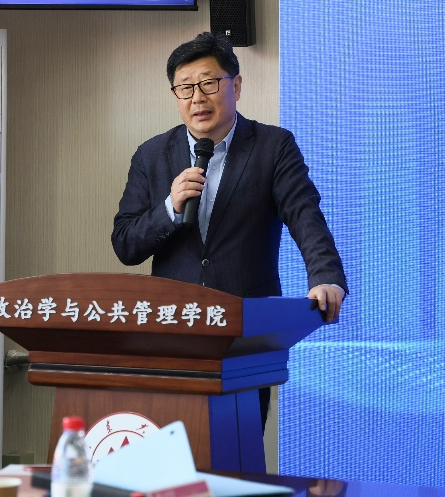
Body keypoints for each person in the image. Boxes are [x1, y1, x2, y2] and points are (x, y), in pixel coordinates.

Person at [112, 31, 348, 318]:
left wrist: (325, 277)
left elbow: (304, 215)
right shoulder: (151, 154)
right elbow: (125, 245)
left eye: (208, 84)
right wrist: (170, 209)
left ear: (236, 87)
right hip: (173, 318)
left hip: (249, 317)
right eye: (185, 88)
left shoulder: (273, 146)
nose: (197, 98)